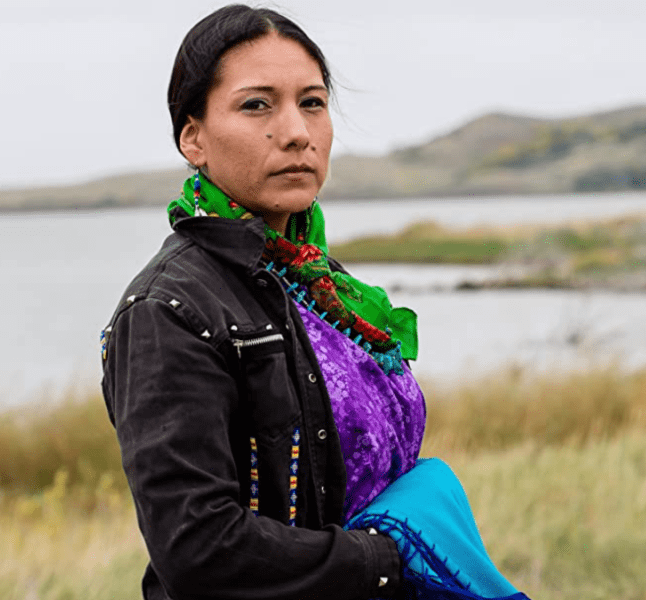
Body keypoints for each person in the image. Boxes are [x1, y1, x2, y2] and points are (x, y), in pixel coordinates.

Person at [101, 5, 423, 599]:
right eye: (257, 105)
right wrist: (384, 557)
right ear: (192, 137)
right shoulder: (167, 310)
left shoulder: (317, 279)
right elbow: (199, 548)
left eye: (312, 102)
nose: (297, 131)